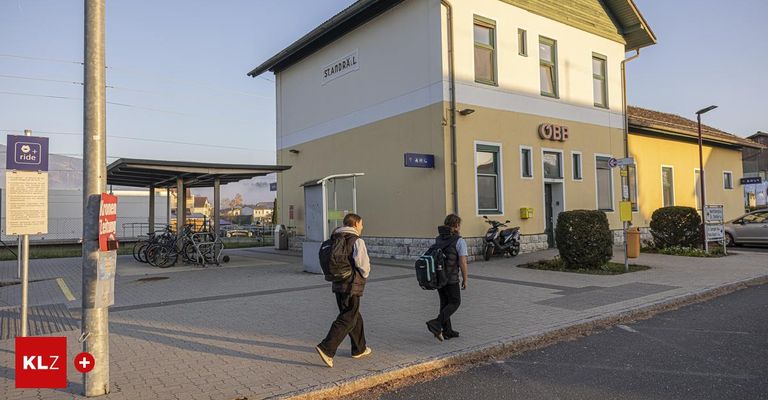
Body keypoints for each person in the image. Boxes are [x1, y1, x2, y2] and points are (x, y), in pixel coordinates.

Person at [316, 213, 372, 367]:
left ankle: (359, 348)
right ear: (356, 223)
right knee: (348, 317)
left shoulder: (334, 239)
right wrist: (364, 275)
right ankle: (327, 348)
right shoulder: (356, 240)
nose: (362, 227)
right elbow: (363, 265)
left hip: (338, 283)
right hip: (352, 285)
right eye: (361, 224)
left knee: (354, 315)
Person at [426, 214, 469, 341]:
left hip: (439, 276)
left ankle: (447, 331)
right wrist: (465, 279)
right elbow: (462, 262)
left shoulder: (439, 239)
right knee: (455, 302)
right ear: (456, 226)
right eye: (459, 225)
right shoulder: (459, 240)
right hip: (451, 278)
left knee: (445, 303)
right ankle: (436, 323)